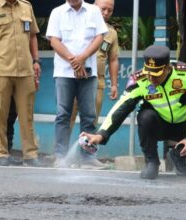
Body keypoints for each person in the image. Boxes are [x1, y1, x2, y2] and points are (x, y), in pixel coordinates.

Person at [80, 45, 186, 179]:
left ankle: (178, 156)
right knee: (145, 116)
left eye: (156, 74)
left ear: (167, 68)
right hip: (160, 126)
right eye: (149, 74)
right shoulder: (140, 80)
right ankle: (152, 162)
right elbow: (121, 107)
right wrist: (101, 134)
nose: (151, 79)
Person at [0, 0, 42, 166]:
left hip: (25, 69)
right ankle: (0, 154)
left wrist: (36, 61)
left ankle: (30, 154)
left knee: (27, 115)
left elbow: (32, 35)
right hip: (1, 69)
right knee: (0, 114)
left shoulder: (27, 6)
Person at [46, 0, 108, 167]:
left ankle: (87, 157)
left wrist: (83, 57)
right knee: (63, 114)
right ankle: (61, 156)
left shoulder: (94, 11)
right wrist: (74, 61)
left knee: (89, 115)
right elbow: (54, 40)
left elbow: (100, 36)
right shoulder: (57, 12)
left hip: (89, 71)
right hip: (64, 72)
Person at [69, 0, 119, 169]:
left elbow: (113, 59)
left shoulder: (111, 33)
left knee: (91, 121)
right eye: (103, 9)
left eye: (109, 11)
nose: (106, 13)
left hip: (97, 82)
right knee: (66, 117)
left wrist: (114, 84)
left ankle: (87, 158)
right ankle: (60, 156)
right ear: (94, 6)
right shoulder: (81, 24)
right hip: (72, 78)